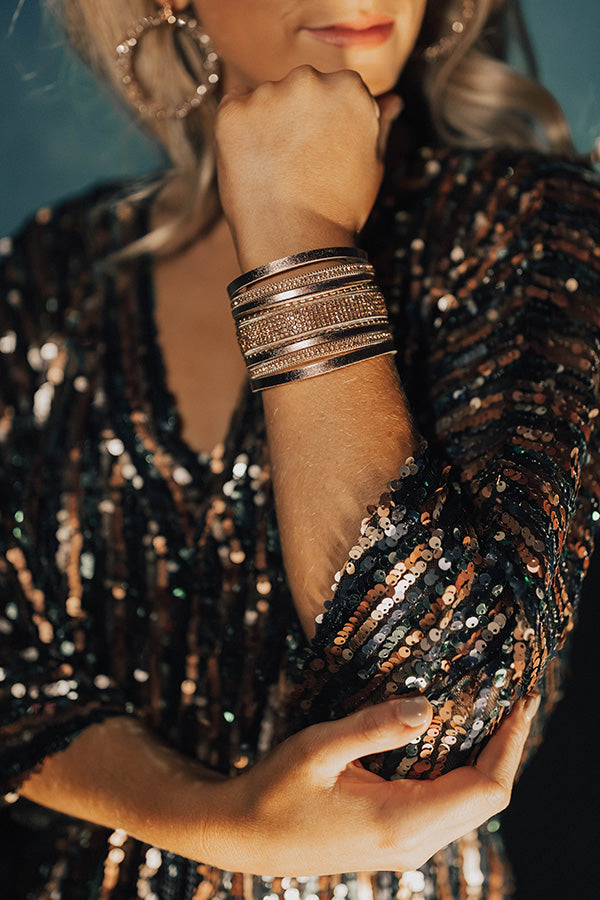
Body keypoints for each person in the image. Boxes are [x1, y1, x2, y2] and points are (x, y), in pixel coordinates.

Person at [0, 0, 598, 897]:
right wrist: (212, 819)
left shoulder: (531, 225)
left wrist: (300, 239)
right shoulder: (56, 275)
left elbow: (440, 696)